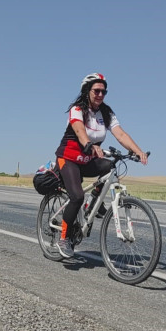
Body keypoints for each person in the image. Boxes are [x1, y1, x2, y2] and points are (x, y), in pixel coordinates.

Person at [54, 73, 148, 258]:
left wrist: (138, 151)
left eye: (104, 91)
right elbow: (79, 130)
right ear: (87, 91)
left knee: (109, 166)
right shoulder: (77, 109)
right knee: (77, 196)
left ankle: (93, 202)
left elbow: (120, 134)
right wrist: (89, 144)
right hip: (69, 159)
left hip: (88, 161)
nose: (100, 95)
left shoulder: (106, 112)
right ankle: (63, 238)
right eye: (96, 91)